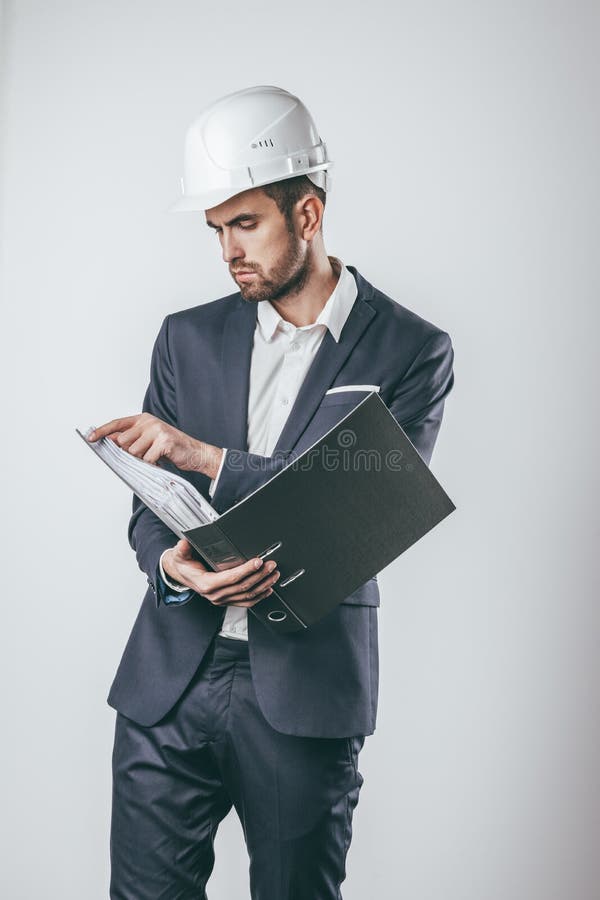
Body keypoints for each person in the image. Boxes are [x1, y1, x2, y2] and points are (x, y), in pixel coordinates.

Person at [88, 85, 455, 899]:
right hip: (169, 683)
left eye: (246, 223)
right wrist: (173, 568)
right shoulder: (187, 337)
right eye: (217, 230)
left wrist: (205, 456)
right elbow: (151, 506)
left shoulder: (411, 350)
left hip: (304, 693)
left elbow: (360, 509)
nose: (228, 251)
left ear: (309, 216)